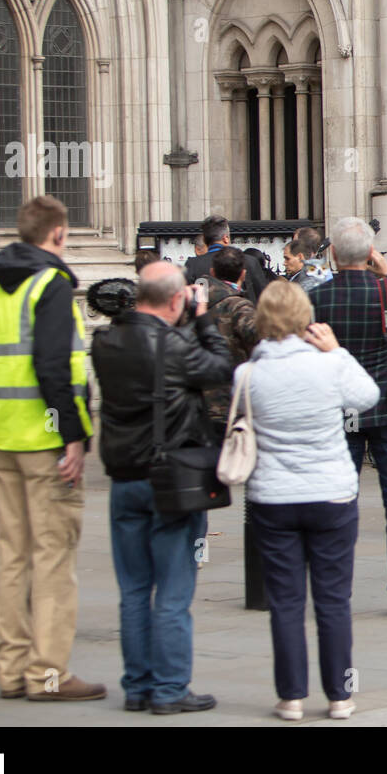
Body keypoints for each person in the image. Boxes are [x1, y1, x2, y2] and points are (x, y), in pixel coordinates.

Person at [0, 195, 104, 699]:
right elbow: (53, 366)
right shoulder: (50, 285)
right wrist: (71, 434)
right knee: (52, 558)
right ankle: (47, 673)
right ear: (56, 234)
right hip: (44, 440)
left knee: (11, 556)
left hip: (1, 435)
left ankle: (11, 672)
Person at [90, 261, 232, 715]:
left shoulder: (106, 342)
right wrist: (204, 317)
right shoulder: (175, 346)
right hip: (170, 480)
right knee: (172, 593)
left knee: (133, 590)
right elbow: (220, 368)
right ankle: (170, 689)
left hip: (124, 479)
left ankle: (137, 685)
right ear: (177, 300)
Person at [241, 282, 378, 721]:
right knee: (333, 600)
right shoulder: (329, 365)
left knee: (285, 601)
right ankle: (340, 696)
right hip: (331, 493)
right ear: (305, 318)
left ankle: (292, 696)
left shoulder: (247, 374)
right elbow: (368, 396)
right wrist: (336, 351)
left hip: (273, 496)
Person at [310, 217, 387, 617]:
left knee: (340, 501)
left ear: (331, 255)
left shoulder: (319, 298)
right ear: (369, 254)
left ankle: (334, 590)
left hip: (340, 409)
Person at [203, 246, 259, 439]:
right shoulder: (240, 307)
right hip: (232, 402)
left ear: (212, 273)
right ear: (243, 274)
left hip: (198, 401)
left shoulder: (193, 305)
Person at [184, 215, 268, 302]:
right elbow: (263, 297)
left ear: (205, 240)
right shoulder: (249, 262)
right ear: (226, 238)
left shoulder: (193, 265)